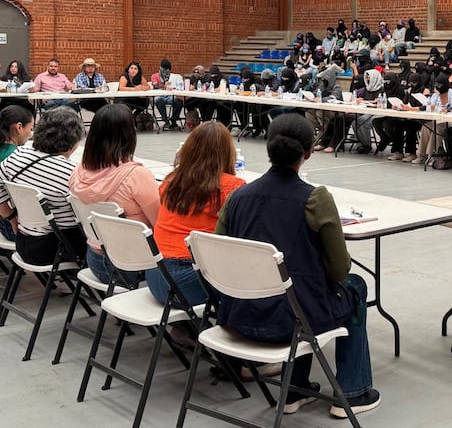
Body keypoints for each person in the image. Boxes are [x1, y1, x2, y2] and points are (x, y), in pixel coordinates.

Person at [215, 113, 381, 417]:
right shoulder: (315, 199)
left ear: (268, 146)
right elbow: (339, 270)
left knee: (296, 290)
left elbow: (220, 259)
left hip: (238, 318)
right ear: (308, 151)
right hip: (291, 324)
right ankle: (352, 392)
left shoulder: (237, 197)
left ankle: (296, 389)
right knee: (353, 286)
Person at [146, 122, 246, 306]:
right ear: (227, 153)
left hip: (155, 274)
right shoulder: (231, 187)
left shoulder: (170, 182)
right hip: (187, 279)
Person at [69, 104, 161, 284]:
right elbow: (160, 223)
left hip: (95, 259)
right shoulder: (135, 175)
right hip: (133, 265)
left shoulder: (79, 171)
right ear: (129, 135)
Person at [0, 107, 85, 265]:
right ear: (74, 140)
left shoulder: (17, 156)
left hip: (23, 241)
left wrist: (11, 218)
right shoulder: (70, 173)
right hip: (57, 248)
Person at [0, 105, 34, 241]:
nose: (31, 134)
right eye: (30, 128)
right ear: (19, 127)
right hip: (9, 222)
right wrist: (12, 218)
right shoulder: (15, 158)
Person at [150, 58, 185, 130]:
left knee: (179, 101)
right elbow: (155, 86)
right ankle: (165, 120)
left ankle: (174, 119)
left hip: (170, 96)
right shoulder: (154, 76)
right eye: (165, 69)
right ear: (161, 68)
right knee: (158, 100)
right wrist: (163, 85)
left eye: (168, 69)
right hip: (160, 96)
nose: (167, 71)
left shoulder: (173, 76)